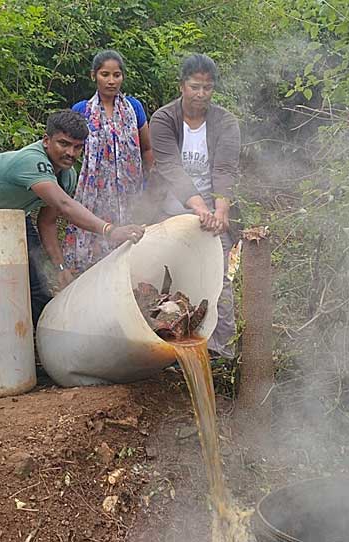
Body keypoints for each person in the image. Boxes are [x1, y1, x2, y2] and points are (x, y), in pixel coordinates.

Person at [0, 110, 146, 325]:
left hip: (13, 217)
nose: (70, 153)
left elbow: (47, 222)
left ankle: (35, 342)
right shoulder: (32, 161)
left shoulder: (66, 174)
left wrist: (60, 267)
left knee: (38, 289)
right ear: (46, 140)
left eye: (77, 147)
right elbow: (65, 205)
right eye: (63, 144)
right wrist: (110, 230)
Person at [149, 53, 241, 359]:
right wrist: (198, 206)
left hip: (211, 216)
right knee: (168, 277)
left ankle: (220, 351)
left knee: (220, 279)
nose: (201, 94)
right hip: (169, 212)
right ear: (182, 86)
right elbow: (170, 167)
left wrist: (221, 211)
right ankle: (167, 351)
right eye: (194, 86)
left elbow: (225, 169)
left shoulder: (225, 122)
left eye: (207, 87)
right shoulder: (164, 119)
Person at [63, 50, 154, 274]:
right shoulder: (82, 110)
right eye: (105, 74)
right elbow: (69, 150)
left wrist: (149, 187)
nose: (111, 81)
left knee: (129, 255)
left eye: (117, 75)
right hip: (95, 194)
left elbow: (147, 149)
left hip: (130, 192)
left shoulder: (134, 108)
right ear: (94, 75)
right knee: (94, 253)